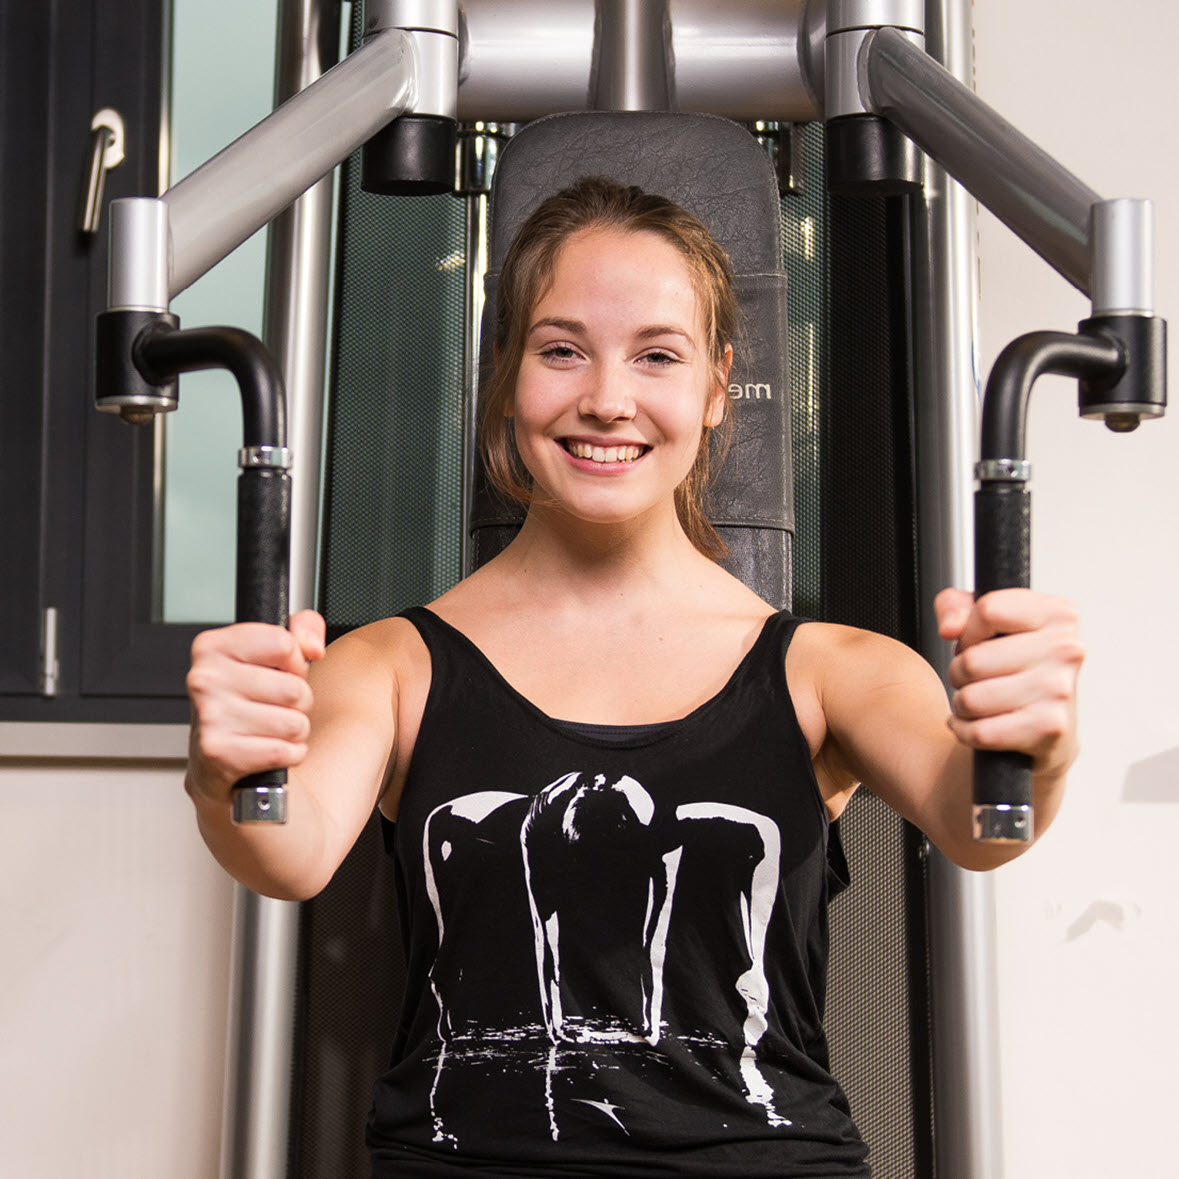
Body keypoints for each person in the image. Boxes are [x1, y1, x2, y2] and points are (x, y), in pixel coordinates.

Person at [185, 177, 1083, 1176]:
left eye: (657, 355)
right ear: (504, 375)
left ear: (714, 389)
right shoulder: (392, 664)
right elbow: (286, 851)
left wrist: (1035, 745)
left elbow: (982, 822)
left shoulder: (833, 670)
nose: (607, 397)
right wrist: (227, 769)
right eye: (561, 349)